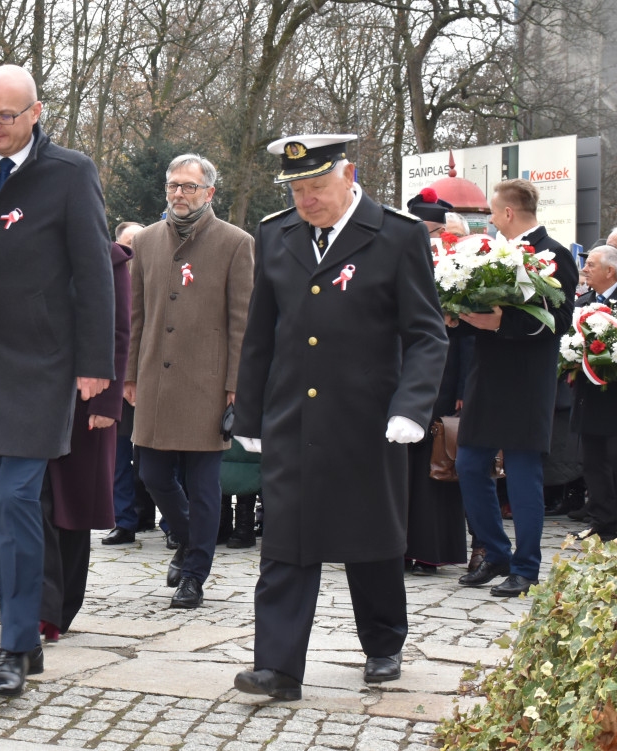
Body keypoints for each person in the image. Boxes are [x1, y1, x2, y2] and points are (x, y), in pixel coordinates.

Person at [233, 134, 448, 700]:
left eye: (317, 186)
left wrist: (412, 406)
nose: (307, 199)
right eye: (297, 189)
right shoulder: (275, 234)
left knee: (370, 536)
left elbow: (427, 335)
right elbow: (260, 335)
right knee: (285, 540)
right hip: (291, 418)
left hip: (367, 417)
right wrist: (248, 415)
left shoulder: (396, 236)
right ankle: (278, 667)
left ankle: (382, 643)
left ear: (348, 175)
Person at [0, 64, 115, 697]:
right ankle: (17, 642)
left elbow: (94, 273)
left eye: (7, 116)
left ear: (36, 113)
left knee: (19, 502)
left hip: (40, 368)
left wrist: (95, 363)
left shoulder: (70, 174)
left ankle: (18, 647)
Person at [124, 153, 254, 609]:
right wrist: (129, 374)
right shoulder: (145, 242)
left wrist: (237, 382)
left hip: (208, 381)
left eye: (189, 187)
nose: (180, 194)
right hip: (155, 377)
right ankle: (184, 537)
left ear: (209, 192)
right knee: (152, 472)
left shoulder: (235, 243)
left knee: (203, 486)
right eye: (173, 185)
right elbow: (136, 314)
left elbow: (242, 321)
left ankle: (194, 574)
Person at [452, 178, 578, 597]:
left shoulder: (555, 254)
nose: (489, 219)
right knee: (469, 465)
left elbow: (559, 321)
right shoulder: (487, 252)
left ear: (508, 212)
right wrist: (457, 315)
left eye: (492, 211)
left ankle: (526, 568)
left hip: (528, 378)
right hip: (486, 375)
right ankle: (496, 552)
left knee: (523, 474)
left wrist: (504, 323)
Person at [40, 237, 131, 639]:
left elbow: (118, 331)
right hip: (33, 393)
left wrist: (108, 402)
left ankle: (61, 609)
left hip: (86, 400)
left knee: (71, 510)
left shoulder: (109, 258)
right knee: (34, 503)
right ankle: (40, 605)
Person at [401, 189, 470, 575]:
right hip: (403, 369)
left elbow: (469, 338)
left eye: (436, 233)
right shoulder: (399, 252)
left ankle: (432, 550)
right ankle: (398, 545)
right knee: (402, 463)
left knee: (437, 461)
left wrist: (462, 389)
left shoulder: (460, 265)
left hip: (446, 373)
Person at [568, 243, 617, 542]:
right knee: (593, 462)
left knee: (613, 461)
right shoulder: (583, 301)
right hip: (588, 394)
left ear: (610, 271)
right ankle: (601, 523)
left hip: (614, 396)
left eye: (592, 265)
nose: (584, 269)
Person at [103, 221, 146, 546]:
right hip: (118, 385)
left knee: (157, 459)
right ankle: (124, 520)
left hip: (151, 383)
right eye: (128, 245)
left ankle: (172, 524)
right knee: (117, 459)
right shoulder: (107, 282)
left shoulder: (156, 280)